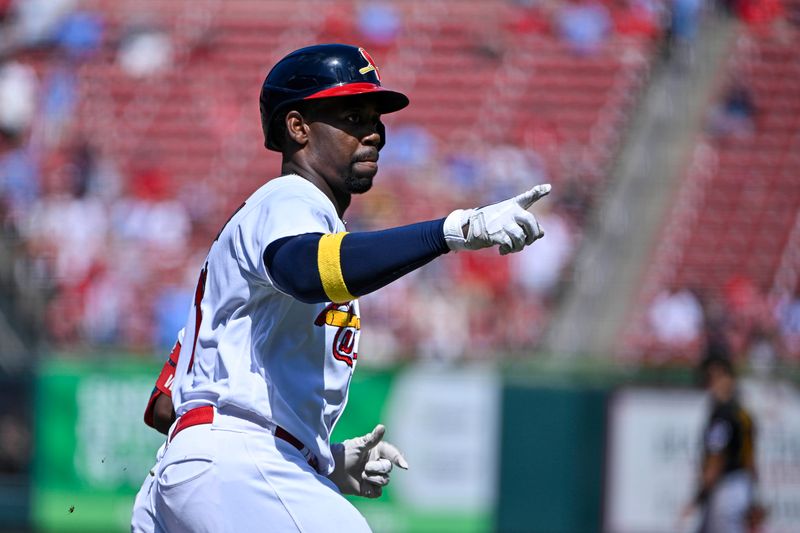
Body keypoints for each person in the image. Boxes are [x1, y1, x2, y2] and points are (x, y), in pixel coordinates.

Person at [152, 43, 550, 532]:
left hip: (208, 466)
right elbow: (304, 271)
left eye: (377, 119)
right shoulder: (289, 198)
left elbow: (168, 403)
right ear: (297, 127)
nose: (375, 133)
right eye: (354, 115)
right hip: (234, 464)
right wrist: (452, 231)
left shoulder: (284, 218)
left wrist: (323, 457)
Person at [682, 356, 763, 533]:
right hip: (742, 484)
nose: (713, 384)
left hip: (726, 487)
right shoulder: (743, 412)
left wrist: (698, 498)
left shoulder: (722, 414)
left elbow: (715, 459)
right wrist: (754, 493)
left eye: (717, 377)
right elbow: (751, 460)